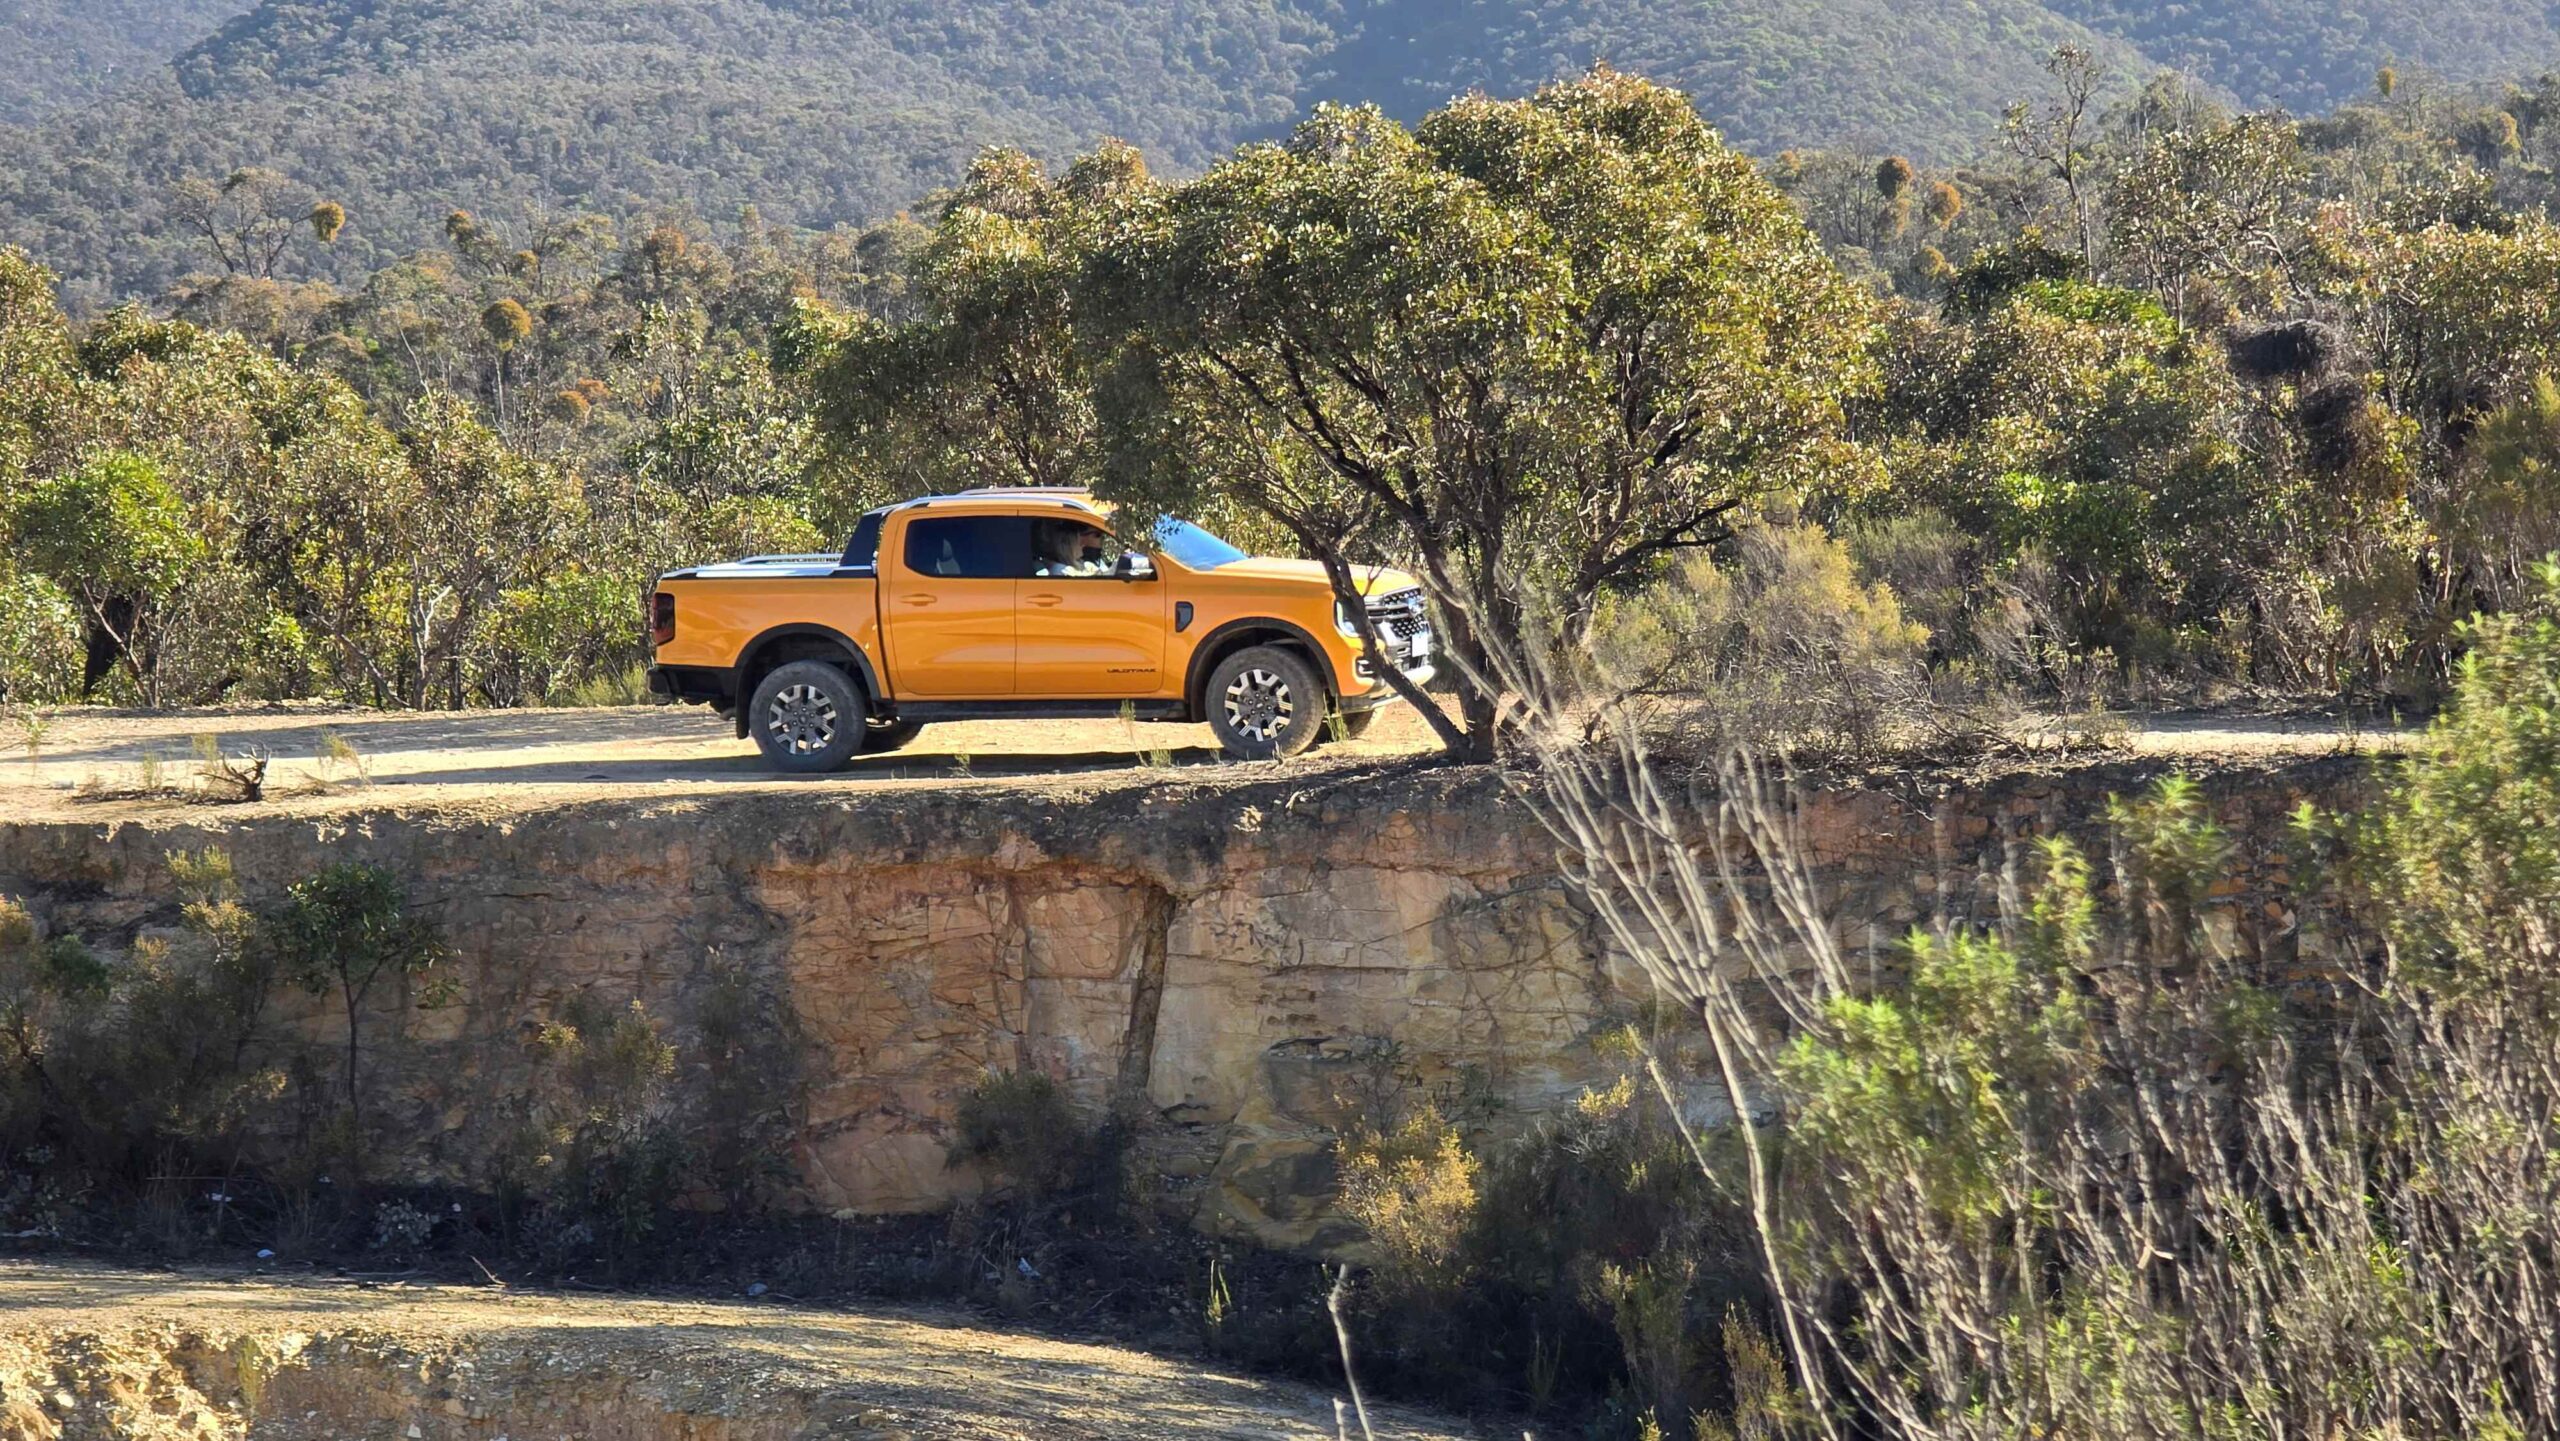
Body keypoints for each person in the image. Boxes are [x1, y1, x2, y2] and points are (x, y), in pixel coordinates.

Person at [1036, 521, 1110, 577]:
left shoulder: (1081, 563)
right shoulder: (1061, 571)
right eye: (1077, 542)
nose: (1082, 545)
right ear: (1067, 547)